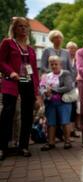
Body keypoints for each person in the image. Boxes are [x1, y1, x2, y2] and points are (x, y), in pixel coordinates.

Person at [0, 17, 41, 160]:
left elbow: (35, 72)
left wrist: (37, 92)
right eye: (20, 26)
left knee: (27, 115)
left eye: (25, 26)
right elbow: (1, 61)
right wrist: (11, 72)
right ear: (14, 28)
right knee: (7, 114)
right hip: (11, 82)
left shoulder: (31, 50)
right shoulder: (8, 43)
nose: (23, 29)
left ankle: (23, 146)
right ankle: (2, 148)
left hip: (27, 83)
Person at [40, 56, 73, 150]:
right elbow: (41, 87)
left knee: (65, 121)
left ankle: (67, 141)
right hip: (50, 103)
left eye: (56, 64)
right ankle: (51, 142)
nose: (54, 66)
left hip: (63, 102)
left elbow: (68, 87)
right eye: (51, 64)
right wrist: (44, 92)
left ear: (60, 64)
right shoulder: (46, 76)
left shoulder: (65, 73)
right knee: (51, 123)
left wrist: (53, 89)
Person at [66, 41, 80, 138]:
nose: (72, 50)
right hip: (65, 87)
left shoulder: (77, 60)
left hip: (75, 87)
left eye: (74, 48)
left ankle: (72, 130)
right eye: (70, 48)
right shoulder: (65, 61)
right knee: (66, 109)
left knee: (74, 109)